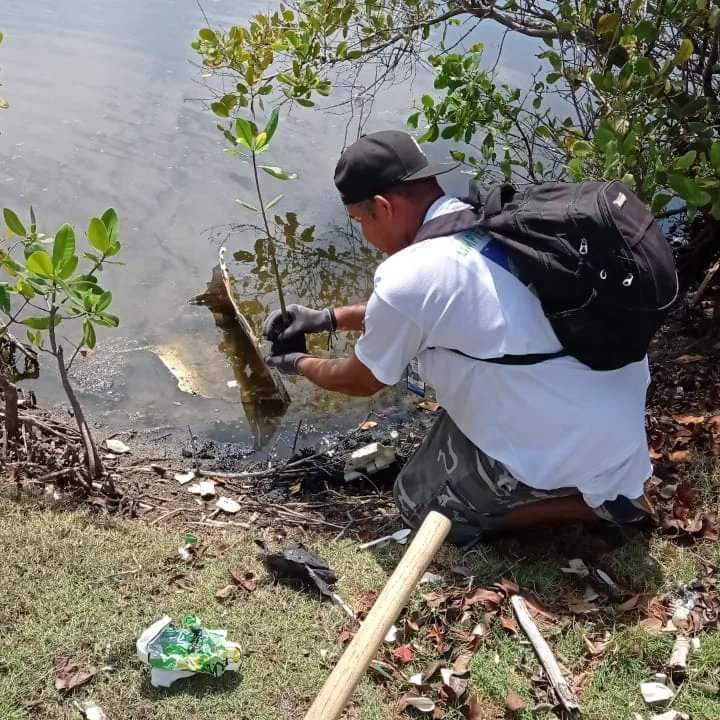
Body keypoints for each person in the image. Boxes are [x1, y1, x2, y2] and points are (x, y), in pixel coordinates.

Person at [263, 130, 653, 543]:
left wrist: (297, 364)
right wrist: (328, 318)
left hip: (573, 439)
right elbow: (421, 310)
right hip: (601, 408)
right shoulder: (483, 219)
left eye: (360, 222)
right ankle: (598, 484)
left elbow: (360, 379)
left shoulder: (409, 276)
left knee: (421, 504)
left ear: (382, 207)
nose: (364, 234)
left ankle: (599, 507)